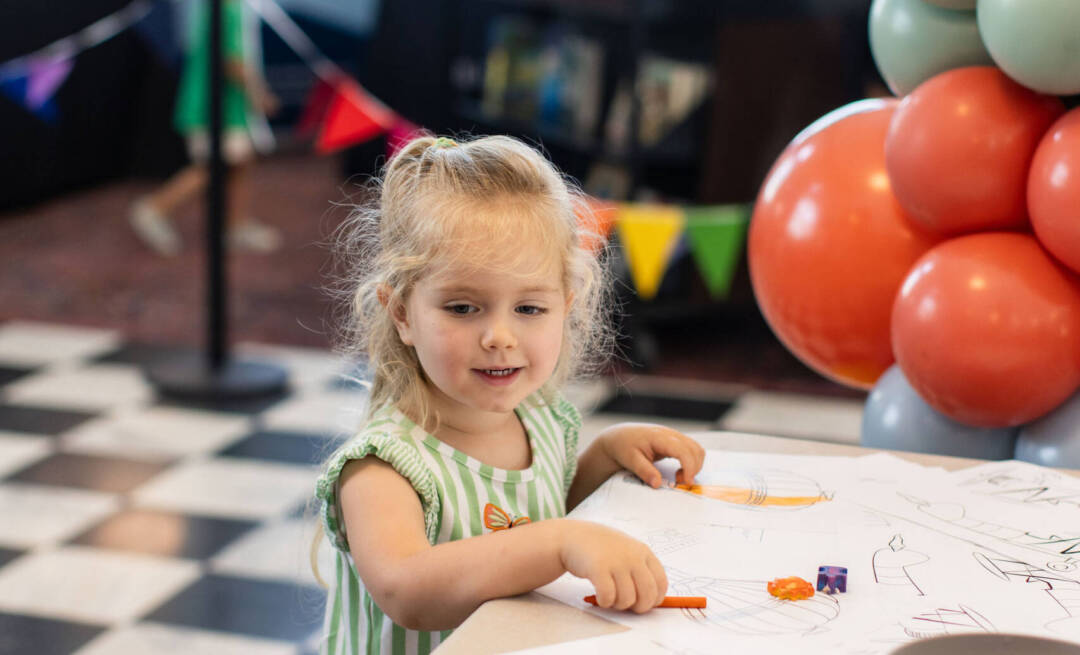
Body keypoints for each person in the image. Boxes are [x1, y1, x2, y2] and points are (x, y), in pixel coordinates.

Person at [313, 134, 706, 655]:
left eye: (529, 309)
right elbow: (406, 591)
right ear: (402, 313)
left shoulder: (543, 418)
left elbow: (542, 509)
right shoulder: (384, 465)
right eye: (462, 308)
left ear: (566, 306)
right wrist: (559, 544)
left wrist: (606, 456)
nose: (499, 336)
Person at [130, 0, 282, 255]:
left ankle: (236, 225)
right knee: (215, 163)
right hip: (215, 106)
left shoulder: (225, 7)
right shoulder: (227, 8)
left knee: (241, 159)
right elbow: (232, 60)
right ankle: (154, 208)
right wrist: (259, 94)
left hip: (226, 105)